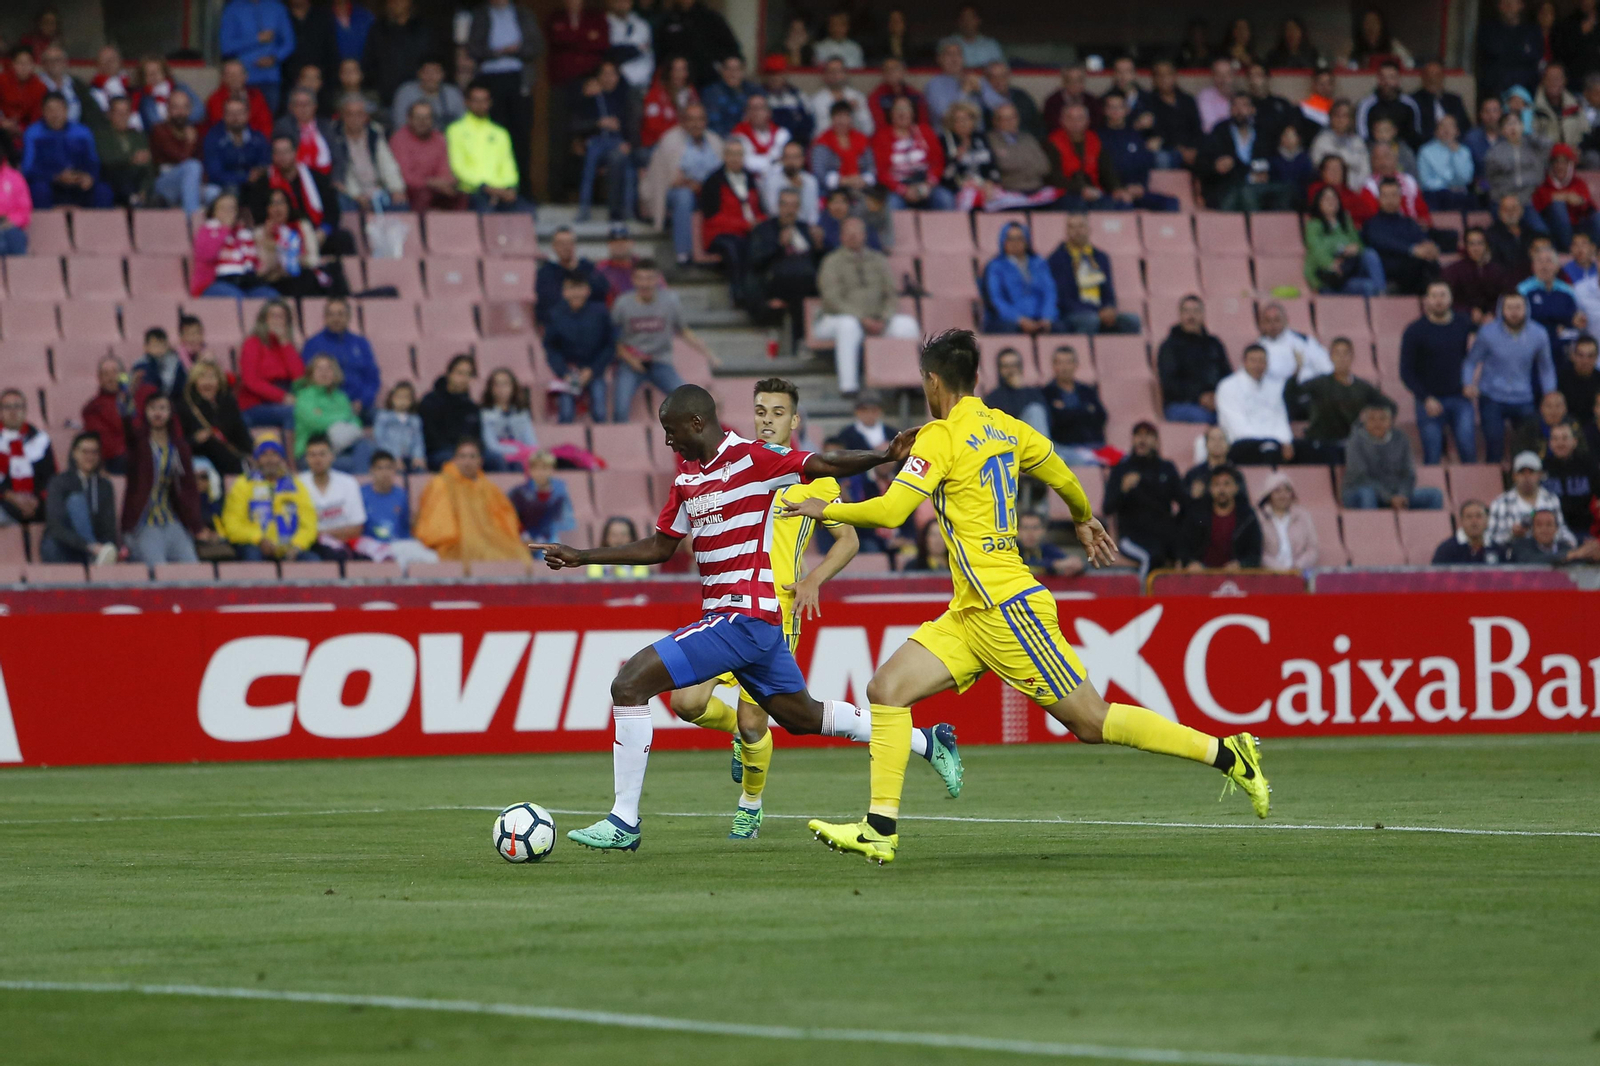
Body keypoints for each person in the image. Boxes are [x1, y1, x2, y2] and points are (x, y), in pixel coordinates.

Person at [788, 331, 1275, 861]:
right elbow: (1062, 472)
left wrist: (824, 509)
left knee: (1092, 721)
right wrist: (1084, 516)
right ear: (974, 378)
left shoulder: (941, 437)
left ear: (932, 381)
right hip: (970, 611)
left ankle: (1229, 754)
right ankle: (879, 827)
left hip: (1008, 608)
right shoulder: (1006, 427)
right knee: (886, 690)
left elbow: (889, 513)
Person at [664, 378, 936, 835]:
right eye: (760, 411)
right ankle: (738, 735)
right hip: (727, 611)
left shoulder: (815, 478)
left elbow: (847, 541)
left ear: (795, 420)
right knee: (686, 703)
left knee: (756, 723)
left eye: (777, 412)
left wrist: (814, 578)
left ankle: (750, 803)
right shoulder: (737, 464)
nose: (767, 419)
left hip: (775, 613)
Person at [814, 217, 919, 396]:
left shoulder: (878, 260)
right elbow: (831, 299)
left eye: (857, 232)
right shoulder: (831, 261)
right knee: (848, 325)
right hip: (835, 319)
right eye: (849, 233)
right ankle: (849, 387)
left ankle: (910, 382)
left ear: (865, 235)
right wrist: (862, 318)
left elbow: (890, 294)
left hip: (877, 320)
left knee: (907, 325)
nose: (853, 237)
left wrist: (884, 318)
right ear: (842, 236)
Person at [1464, 291, 1557, 461]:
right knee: (1494, 444)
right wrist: (1468, 383)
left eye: (1518, 307)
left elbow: (1546, 367)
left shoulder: (1539, 334)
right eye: (1509, 307)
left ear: (1526, 309)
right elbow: (1471, 361)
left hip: (1523, 397)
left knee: (1529, 447)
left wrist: (1550, 392)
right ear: (1501, 310)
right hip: (1492, 396)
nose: (1514, 312)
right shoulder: (1487, 333)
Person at [121, 393, 208, 564]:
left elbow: (188, 489)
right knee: (158, 572)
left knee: (193, 568)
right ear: (145, 412)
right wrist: (127, 405)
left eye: (162, 408)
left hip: (172, 521)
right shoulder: (139, 444)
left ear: (170, 413)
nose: (157, 413)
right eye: (152, 408)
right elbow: (128, 429)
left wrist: (196, 525)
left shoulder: (180, 448)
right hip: (145, 523)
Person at [414, 436, 528, 563]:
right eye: (462, 457)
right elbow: (438, 524)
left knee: (519, 553)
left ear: (480, 461)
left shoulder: (489, 487)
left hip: (491, 539)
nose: (467, 461)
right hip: (457, 542)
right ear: (455, 460)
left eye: (472, 457)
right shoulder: (441, 483)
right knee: (482, 552)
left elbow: (506, 520)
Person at [1402, 280, 1478, 463]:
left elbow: (1483, 350)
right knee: (1432, 454)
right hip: (1429, 400)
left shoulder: (1463, 323)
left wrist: (1472, 383)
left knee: (1468, 448)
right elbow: (1406, 372)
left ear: (1451, 299)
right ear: (1426, 300)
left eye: (1442, 295)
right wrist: (1425, 398)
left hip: (1460, 397)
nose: (1438, 300)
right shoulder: (1415, 330)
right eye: (1434, 296)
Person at [1290, 335, 1392, 464]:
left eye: (1345, 354)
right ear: (1331, 357)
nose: (1341, 358)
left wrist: (1375, 425)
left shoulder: (1362, 387)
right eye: (1337, 353)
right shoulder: (1320, 383)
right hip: (1322, 443)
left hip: (1350, 444)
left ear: (1352, 357)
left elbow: (1389, 406)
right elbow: (1293, 394)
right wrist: (1296, 373)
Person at [1102, 420, 1184, 574]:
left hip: (1163, 535)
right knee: (1152, 557)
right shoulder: (1121, 469)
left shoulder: (1167, 468)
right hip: (1133, 537)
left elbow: (1183, 501)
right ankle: (1145, 597)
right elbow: (1107, 507)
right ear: (1132, 440)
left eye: (1148, 435)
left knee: (1186, 556)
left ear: (1156, 441)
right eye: (1138, 435)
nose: (1142, 439)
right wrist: (1123, 490)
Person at [448, 81, 534, 214]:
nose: (480, 105)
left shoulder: (500, 133)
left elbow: (508, 165)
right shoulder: (455, 130)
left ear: (490, 103)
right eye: (476, 100)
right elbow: (458, 167)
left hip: (500, 190)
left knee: (528, 212)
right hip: (472, 191)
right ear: (467, 102)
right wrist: (485, 187)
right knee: (486, 211)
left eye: (484, 101)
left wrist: (508, 188)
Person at [222, 440, 316, 560]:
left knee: (312, 559)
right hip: (255, 545)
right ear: (256, 460)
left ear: (282, 460)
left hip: (291, 547)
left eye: (274, 455)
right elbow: (232, 524)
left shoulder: (296, 486)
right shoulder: (244, 484)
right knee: (252, 554)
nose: (270, 459)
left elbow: (309, 524)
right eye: (264, 455)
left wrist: (296, 545)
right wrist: (259, 539)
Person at [1198, 92, 1290, 211]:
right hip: (1227, 189)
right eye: (1235, 106)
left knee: (1287, 189)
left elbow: (1273, 160)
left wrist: (1267, 173)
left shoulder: (1263, 131)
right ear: (1230, 110)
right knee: (1246, 192)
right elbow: (1201, 162)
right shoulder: (1220, 131)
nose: (1239, 110)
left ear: (1252, 110)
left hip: (1259, 188)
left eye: (1244, 106)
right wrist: (1215, 166)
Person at [744, 187, 818, 334]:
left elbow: (816, 260)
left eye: (794, 205)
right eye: (785, 204)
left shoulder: (805, 229)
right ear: (778, 206)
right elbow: (756, 261)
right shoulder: (764, 230)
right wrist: (779, 245)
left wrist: (820, 246)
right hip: (774, 283)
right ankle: (801, 338)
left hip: (806, 283)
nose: (789, 210)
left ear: (798, 208)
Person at [1342, 404, 1443, 512]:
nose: (1377, 423)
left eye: (1382, 419)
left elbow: (1409, 473)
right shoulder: (1355, 441)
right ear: (1365, 422)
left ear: (1390, 421)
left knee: (1435, 495)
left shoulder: (1401, 439)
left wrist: (1402, 495)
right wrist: (1388, 497)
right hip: (1359, 492)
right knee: (1367, 494)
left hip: (1395, 493)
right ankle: (1372, 528)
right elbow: (1360, 477)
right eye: (1372, 419)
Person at [698, 138, 766, 297]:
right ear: (724, 156)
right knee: (735, 246)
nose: (735, 158)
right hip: (720, 234)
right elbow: (712, 218)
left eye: (739, 154)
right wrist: (744, 225)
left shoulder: (750, 179)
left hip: (750, 231)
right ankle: (739, 292)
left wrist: (759, 221)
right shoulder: (713, 181)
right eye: (731, 154)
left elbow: (759, 210)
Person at [39, 433, 119, 566]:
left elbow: (108, 524)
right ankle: (95, 555)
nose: (90, 457)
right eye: (85, 451)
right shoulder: (58, 482)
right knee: (76, 501)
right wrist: (88, 546)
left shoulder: (104, 486)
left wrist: (106, 545)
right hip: (64, 544)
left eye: (94, 452)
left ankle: (97, 555)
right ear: (75, 453)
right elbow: (56, 526)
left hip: (95, 544)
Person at [546, 271, 614, 424]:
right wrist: (563, 372)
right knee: (566, 413)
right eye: (571, 288)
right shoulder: (555, 315)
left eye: (579, 288)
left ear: (587, 290)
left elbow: (609, 345)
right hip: (567, 372)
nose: (576, 293)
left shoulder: (600, 313)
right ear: (564, 292)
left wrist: (593, 370)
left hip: (593, 371)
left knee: (600, 412)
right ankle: (566, 447)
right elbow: (551, 348)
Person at [574, 60, 638, 223]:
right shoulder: (591, 96)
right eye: (605, 74)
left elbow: (633, 125)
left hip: (618, 142)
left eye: (613, 74)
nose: (609, 78)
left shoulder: (625, 96)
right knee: (589, 164)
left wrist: (628, 142)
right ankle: (584, 209)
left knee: (628, 165)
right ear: (598, 77)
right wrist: (598, 123)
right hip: (596, 141)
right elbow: (575, 124)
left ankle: (628, 211)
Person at [21, 92, 109, 207]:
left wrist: (89, 176)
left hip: (78, 184)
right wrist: (55, 177)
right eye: (50, 110)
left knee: (103, 191)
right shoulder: (33, 133)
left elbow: (93, 162)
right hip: (50, 184)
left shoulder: (82, 132)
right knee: (39, 190)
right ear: (43, 112)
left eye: (59, 109)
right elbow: (28, 169)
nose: (55, 114)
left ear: (66, 111)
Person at [1157, 296, 1232, 425]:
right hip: (1182, 404)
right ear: (1180, 315)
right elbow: (1170, 384)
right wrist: (1200, 397)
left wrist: (1217, 397)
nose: (1191, 316)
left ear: (1203, 315)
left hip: (1216, 401)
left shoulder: (1214, 344)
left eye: (1196, 311)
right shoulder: (1169, 347)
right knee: (1213, 420)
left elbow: (1228, 377)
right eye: (1186, 311)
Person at [293, 353, 372, 473]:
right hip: (311, 453)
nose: (324, 373)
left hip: (342, 447)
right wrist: (343, 417)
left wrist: (327, 417)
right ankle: (360, 482)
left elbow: (356, 422)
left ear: (335, 373)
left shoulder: (341, 397)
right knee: (354, 463)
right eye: (319, 369)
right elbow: (315, 422)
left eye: (328, 368)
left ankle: (360, 483)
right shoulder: (304, 396)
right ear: (311, 374)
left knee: (366, 447)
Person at [1217, 344, 1295, 465]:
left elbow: (1280, 419)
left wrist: (1285, 441)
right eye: (1253, 361)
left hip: (1273, 443)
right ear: (1244, 362)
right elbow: (1235, 424)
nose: (1258, 365)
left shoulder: (1274, 387)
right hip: (1244, 443)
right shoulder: (1228, 386)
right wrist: (1266, 442)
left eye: (1261, 361)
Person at [1363, 177, 1442, 295]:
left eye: (1394, 195)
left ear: (1400, 198)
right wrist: (1411, 250)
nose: (1390, 200)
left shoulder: (1409, 222)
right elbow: (1383, 242)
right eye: (1386, 196)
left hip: (1414, 268)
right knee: (1420, 264)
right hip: (1389, 270)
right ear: (1379, 198)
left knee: (1431, 262)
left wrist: (1430, 248)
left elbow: (1421, 240)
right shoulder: (1372, 224)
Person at [1304, 183, 1386, 296]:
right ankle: (1381, 301)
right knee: (1369, 287)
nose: (1331, 201)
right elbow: (1316, 248)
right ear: (1318, 202)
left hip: (1349, 271)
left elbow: (1359, 244)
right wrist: (1331, 263)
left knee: (1370, 254)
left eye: (1334, 198)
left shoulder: (1345, 221)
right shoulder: (1313, 225)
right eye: (1326, 198)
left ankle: (1383, 294)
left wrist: (1355, 248)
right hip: (1329, 279)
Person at [238, 299, 304, 436]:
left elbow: (300, 378)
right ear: (264, 320)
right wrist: (283, 397)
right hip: (256, 404)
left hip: (286, 397)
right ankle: (293, 456)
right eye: (273, 316)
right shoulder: (252, 343)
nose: (277, 320)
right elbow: (251, 381)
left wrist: (285, 343)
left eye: (281, 316)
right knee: (295, 413)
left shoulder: (287, 345)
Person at [330, 93, 406, 213]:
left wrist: (397, 189)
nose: (355, 119)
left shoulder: (374, 133)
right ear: (343, 116)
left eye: (359, 114)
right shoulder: (334, 136)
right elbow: (342, 171)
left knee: (401, 202)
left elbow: (387, 164)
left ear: (366, 116)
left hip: (377, 189)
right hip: (350, 192)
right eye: (350, 114)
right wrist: (357, 195)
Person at [191, 192, 275, 299]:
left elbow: (255, 262)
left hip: (245, 282)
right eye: (223, 208)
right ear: (214, 212)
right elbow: (207, 256)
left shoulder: (244, 233)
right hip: (214, 284)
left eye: (232, 208)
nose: (228, 212)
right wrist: (225, 229)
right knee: (238, 298)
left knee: (272, 297)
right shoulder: (206, 231)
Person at [296, 433, 366, 561]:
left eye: (322, 454)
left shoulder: (349, 483)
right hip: (310, 546)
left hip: (346, 545)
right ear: (306, 458)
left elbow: (357, 528)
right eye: (312, 455)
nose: (317, 460)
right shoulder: (297, 484)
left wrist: (321, 534)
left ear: (332, 456)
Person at [178, 360, 254, 477]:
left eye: (212, 377)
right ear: (194, 381)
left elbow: (241, 433)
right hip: (198, 460)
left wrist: (251, 453)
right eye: (202, 377)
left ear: (219, 381)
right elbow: (178, 442)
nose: (207, 382)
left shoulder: (228, 402)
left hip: (228, 459)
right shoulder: (185, 406)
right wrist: (196, 439)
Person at [983, 221, 1059, 335]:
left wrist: (1047, 316)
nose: (1015, 243)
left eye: (1020, 238)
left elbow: (1049, 292)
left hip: (1040, 317)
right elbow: (996, 299)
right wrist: (1019, 319)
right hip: (1011, 319)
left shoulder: (1039, 263)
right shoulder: (995, 267)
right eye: (1010, 239)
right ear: (1003, 241)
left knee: (1061, 327)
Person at [389, 98, 466, 212]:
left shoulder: (439, 139)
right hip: (410, 192)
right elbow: (404, 177)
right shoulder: (399, 139)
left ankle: (456, 229)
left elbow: (444, 170)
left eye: (427, 118)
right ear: (409, 119)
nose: (422, 122)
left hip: (436, 189)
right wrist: (431, 183)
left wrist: (448, 182)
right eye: (418, 118)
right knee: (423, 195)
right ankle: (422, 229)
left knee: (462, 196)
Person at [1181, 463, 1262, 571]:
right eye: (1216, 484)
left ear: (1236, 488)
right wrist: (1191, 563)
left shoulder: (1247, 517)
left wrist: (1241, 565)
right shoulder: (1197, 514)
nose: (1221, 489)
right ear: (1210, 489)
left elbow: (1255, 553)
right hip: (1201, 575)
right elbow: (1183, 547)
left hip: (1236, 577)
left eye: (1226, 484)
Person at [871, 96, 947, 210]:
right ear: (891, 114)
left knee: (945, 199)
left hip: (925, 183)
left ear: (912, 113)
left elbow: (938, 162)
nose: (902, 113)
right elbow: (881, 171)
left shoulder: (925, 131)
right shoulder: (881, 137)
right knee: (892, 206)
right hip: (897, 187)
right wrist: (903, 190)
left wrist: (928, 185)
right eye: (898, 109)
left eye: (906, 109)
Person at [219, 0, 295, 113]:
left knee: (267, 121)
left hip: (269, 79)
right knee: (237, 119)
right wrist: (256, 39)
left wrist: (274, 58)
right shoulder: (233, 9)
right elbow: (226, 46)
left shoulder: (276, 7)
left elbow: (289, 43)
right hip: (240, 81)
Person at [148, 88, 212, 216]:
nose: (180, 112)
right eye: (176, 108)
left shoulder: (194, 131)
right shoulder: (160, 130)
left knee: (215, 192)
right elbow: (180, 158)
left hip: (189, 186)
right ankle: (192, 222)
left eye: (184, 108)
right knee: (192, 166)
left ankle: (216, 232)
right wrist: (189, 143)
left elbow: (202, 164)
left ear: (189, 110)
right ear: (168, 110)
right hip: (164, 185)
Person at [370, 0, 444, 108]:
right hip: (385, 98)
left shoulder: (423, 29)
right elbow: (370, 63)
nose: (396, 3)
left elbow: (432, 60)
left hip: (420, 96)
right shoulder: (378, 30)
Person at [1040, 346, 1106, 465]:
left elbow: (1101, 417)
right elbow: (1055, 421)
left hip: (1095, 445)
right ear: (1053, 366)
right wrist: (1085, 411)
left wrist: (1067, 411)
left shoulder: (1087, 391)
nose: (1064, 368)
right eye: (1060, 363)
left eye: (1068, 362)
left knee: (1124, 461)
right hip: (1067, 448)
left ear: (1076, 365)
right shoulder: (1046, 393)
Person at [0, 389, 54, 529]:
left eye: (17, 406)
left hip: (35, 502)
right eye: (7, 407)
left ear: (25, 410)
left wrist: (35, 499)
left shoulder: (40, 439)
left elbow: (50, 477)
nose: (13, 412)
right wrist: (11, 497)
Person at [1533, 143, 1600, 252]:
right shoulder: (1543, 186)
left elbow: (1589, 206)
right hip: (1557, 233)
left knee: (1598, 217)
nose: (1560, 166)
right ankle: (1570, 250)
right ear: (1551, 164)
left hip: (1580, 229)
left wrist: (1580, 201)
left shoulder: (1579, 183)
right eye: (1556, 162)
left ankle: (1594, 252)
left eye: (1565, 162)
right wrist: (1564, 197)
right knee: (1557, 207)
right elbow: (1539, 205)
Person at [1256, 302, 1332, 394]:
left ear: (1286, 320)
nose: (1272, 325)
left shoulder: (1304, 341)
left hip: (1304, 392)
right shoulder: (1257, 348)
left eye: (1277, 320)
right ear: (1261, 324)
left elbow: (1327, 367)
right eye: (1268, 321)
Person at [1445, 227, 1514, 327]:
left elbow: (1504, 296)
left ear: (1486, 245)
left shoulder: (1497, 270)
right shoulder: (1453, 270)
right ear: (1466, 246)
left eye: (1480, 243)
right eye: (1471, 244)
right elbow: (1449, 299)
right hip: (1462, 321)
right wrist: (1469, 311)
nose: (1476, 248)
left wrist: (1492, 313)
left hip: (1494, 321)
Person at [202, 96, 270, 193]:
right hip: (224, 187)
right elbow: (215, 174)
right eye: (231, 113)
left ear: (247, 114)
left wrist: (259, 172)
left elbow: (265, 163)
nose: (235, 117)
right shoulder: (213, 138)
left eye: (239, 113)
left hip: (253, 186)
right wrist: (245, 177)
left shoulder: (257, 137)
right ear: (224, 115)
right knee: (231, 188)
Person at [1255, 470, 1319, 571]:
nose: (1283, 495)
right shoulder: (1259, 518)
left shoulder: (1303, 516)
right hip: (1270, 575)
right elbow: (1258, 552)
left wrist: (1297, 567)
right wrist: (1281, 571)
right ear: (1268, 495)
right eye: (1277, 491)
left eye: (1287, 490)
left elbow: (1312, 549)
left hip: (1299, 572)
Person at [510, 449, 574, 544]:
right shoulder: (519, 492)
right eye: (536, 468)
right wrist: (524, 537)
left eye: (544, 468)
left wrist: (541, 540)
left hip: (549, 537)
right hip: (522, 537)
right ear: (530, 470)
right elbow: (512, 516)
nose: (540, 472)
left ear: (552, 470)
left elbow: (556, 519)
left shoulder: (559, 493)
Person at [81, 357, 134, 475]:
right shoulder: (92, 409)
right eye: (105, 374)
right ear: (99, 379)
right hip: (116, 461)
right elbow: (106, 445)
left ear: (123, 376)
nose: (111, 378)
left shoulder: (137, 400)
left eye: (115, 372)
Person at [479, 367, 537, 471]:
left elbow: (532, 442)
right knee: (499, 460)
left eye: (505, 384)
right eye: (497, 385)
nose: (501, 389)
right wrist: (516, 450)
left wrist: (524, 452)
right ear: (490, 388)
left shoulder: (522, 413)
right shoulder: (484, 414)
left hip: (520, 455)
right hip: (498, 455)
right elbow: (491, 445)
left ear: (513, 387)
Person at [982, 347, 1048, 438]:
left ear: (1021, 367)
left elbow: (1048, 420)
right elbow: (1007, 422)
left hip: (1034, 440)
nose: (1011, 370)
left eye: (1014, 365)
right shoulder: (993, 397)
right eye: (1006, 366)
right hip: (1011, 442)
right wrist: (1018, 391)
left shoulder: (1033, 392)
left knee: (1035, 410)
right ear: (999, 369)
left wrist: (1020, 391)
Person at [1310, 99, 1371, 192]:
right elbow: (1318, 165)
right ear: (1331, 118)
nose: (1340, 120)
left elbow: (1365, 169)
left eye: (1345, 116)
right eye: (1337, 115)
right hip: (1329, 191)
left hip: (1355, 191)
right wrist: (1350, 161)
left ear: (1351, 119)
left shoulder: (1358, 142)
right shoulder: (1322, 140)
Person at [1418, 114, 1475, 211]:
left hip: (1460, 194)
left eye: (1450, 126)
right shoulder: (1425, 151)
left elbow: (1466, 178)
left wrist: (1456, 155)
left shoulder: (1464, 151)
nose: (1446, 129)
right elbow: (1425, 181)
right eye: (1442, 126)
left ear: (1457, 131)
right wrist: (1448, 186)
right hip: (1436, 195)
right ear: (1436, 131)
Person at [391, 59, 465, 134]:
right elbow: (399, 124)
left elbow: (462, 123)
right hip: (412, 140)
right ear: (419, 73)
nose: (431, 77)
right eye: (427, 72)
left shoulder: (453, 93)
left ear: (443, 74)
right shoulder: (406, 92)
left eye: (435, 72)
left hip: (446, 140)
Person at [757, 53, 811, 146]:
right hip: (768, 146)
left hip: (796, 147)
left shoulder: (798, 96)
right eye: (771, 73)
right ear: (765, 76)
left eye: (778, 73)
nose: (775, 77)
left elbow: (809, 122)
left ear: (785, 74)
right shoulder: (759, 97)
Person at [373, 380, 427, 472]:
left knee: (420, 470)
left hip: (409, 457)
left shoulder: (415, 420)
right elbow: (379, 439)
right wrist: (394, 457)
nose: (402, 401)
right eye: (399, 397)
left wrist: (418, 456)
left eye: (406, 398)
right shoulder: (383, 417)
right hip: (389, 457)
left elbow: (418, 441)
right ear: (392, 398)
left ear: (412, 401)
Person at [1508, 505, 1594, 561]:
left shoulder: (1566, 547)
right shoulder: (1521, 546)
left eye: (1549, 525)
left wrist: (1590, 553)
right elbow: (1532, 560)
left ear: (1556, 529)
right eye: (1539, 525)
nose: (1544, 529)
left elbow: (1578, 559)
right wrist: (1568, 555)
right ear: (1532, 529)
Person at [701, 55, 757, 138]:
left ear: (743, 71)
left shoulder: (752, 90)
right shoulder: (711, 93)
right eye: (728, 69)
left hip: (750, 141)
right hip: (720, 140)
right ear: (722, 71)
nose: (733, 73)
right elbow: (714, 125)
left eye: (737, 69)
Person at [1431, 499, 1504, 563]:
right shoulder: (1446, 550)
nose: (1474, 521)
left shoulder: (1497, 549)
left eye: (1479, 516)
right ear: (1461, 521)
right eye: (1469, 517)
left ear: (1487, 521)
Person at [0, 45, 47, 137]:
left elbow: (37, 116)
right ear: (13, 64)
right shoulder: (2, 80)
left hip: (26, 130)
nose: (24, 67)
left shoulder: (40, 87)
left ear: (33, 65)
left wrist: (21, 129)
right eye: (20, 63)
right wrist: (2, 122)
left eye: (28, 63)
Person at [1560, 335, 1600, 420]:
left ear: (1596, 357)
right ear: (1573, 356)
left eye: (1590, 356)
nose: (1585, 361)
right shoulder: (1561, 378)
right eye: (1580, 355)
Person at [1196, 58, 1237, 135]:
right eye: (1219, 75)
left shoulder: (1239, 97)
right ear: (1213, 76)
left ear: (1233, 76)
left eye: (1227, 74)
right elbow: (1209, 127)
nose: (1224, 79)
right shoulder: (1205, 97)